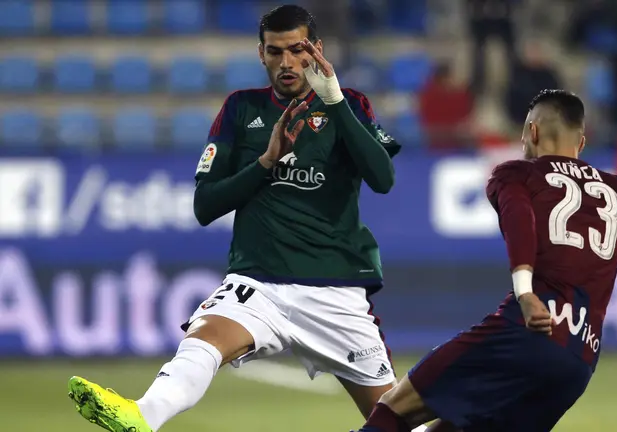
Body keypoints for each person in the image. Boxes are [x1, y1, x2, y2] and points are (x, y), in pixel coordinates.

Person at [66, 5, 427, 432]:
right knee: (201, 340)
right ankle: (141, 415)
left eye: (298, 50)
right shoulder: (241, 109)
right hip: (259, 283)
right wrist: (265, 163)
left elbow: (383, 179)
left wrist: (333, 100)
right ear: (261, 54)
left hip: (335, 289)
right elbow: (205, 206)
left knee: (393, 420)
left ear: (318, 50)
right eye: (276, 52)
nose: (287, 63)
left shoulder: (349, 105)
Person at [355, 89, 617, 432]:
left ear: (532, 132)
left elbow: (521, 223)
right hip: (577, 360)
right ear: (581, 142)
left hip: (526, 333)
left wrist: (525, 292)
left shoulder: (516, 175)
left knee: (396, 409)